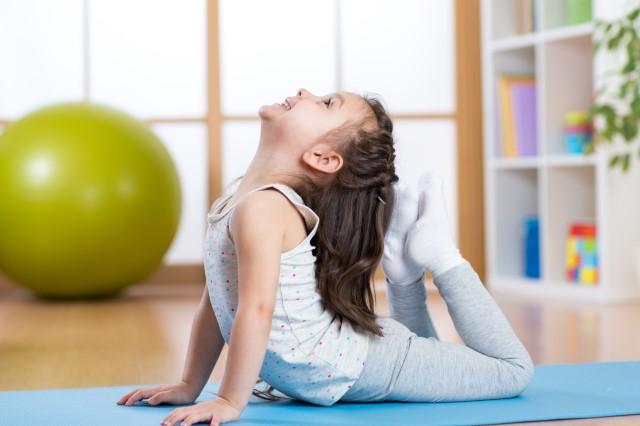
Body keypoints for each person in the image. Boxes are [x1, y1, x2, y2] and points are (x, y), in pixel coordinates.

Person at [116, 88, 534, 426]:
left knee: (512, 371)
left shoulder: (264, 208)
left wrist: (228, 399)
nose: (305, 91)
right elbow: (219, 302)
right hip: (351, 360)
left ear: (323, 158)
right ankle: (405, 271)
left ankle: (439, 254)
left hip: (366, 366)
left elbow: (256, 310)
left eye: (325, 103)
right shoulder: (239, 196)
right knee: (432, 357)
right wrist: (191, 383)